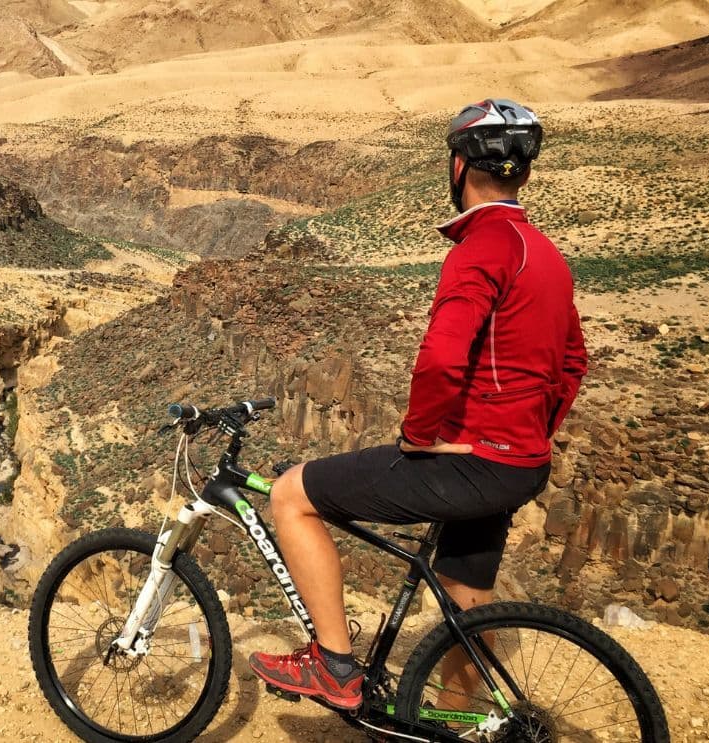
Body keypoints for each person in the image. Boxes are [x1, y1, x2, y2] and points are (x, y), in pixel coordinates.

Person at [247, 98, 588, 710]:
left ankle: (333, 665)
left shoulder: (481, 248)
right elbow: (573, 365)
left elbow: (441, 357)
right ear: (526, 172)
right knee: (465, 594)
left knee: (291, 495)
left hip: (473, 459)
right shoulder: (546, 254)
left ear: (458, 167)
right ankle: (461, 719)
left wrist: (421, 434)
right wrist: (528, 435)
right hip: (520, 462)